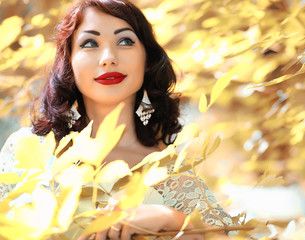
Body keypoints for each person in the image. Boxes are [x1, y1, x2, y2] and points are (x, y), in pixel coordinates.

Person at [0, 0, 233, 239]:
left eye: (125, 41)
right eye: (90, 43)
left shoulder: (171, 171)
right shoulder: (27, 149)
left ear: (148, 60)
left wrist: (172, 218)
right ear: (69, 60)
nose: (108, 58)